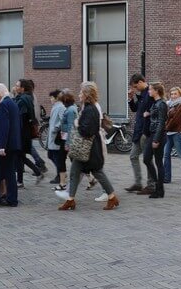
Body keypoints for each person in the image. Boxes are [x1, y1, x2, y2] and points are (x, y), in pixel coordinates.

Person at [55, 81, 118, 210]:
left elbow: (88, 131)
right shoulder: (89, 107)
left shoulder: (90, 109)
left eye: (81, 92)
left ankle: (112, 197)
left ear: (86, 94)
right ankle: (70, 199)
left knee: (97, 172)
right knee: (74, 171)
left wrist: (77, 124)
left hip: (89, 148)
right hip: (87, 148)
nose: (78, 95)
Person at [12, 78, 44, 186]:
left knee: (19, 156)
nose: (15, 87)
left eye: (17, 86)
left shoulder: (23, 99)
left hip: (22, 133)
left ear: (22, 88)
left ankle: (38, 172)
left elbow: (19, 114)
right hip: (24, 132)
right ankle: (20, 181)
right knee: (20, 156)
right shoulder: (25, 98)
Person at [126, 73, 154, 193]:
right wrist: (131, 99)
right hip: (138, 132)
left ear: (141, 82)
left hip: (145, 132)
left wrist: (146, 132)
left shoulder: (150, 93)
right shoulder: (142, 94)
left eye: (135, 86)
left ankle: (151, 185)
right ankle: (138, 183)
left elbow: (154, 111)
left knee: (147, 158)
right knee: (133, 156)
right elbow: (135, 109)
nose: (134, 89)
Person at [162, 87, 181, 185]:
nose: (173, 96)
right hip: (169, 133)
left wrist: (165, 127)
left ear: (180, 94)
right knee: (166, 155)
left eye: (175, 94)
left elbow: (176, 120)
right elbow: (167, 118)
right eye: (172, 94)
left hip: (178, 133)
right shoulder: (170, 105)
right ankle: (167, 178)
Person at [146, 83, 169, 197]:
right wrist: (148, 113)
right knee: (146, 159)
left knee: (159, 162)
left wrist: (156, 139)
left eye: (150, 89)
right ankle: (157, 185)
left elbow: (161, 122)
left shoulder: (162, 104)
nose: (149, 91)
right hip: (152, 134)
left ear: (156, 91)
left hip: (158, 136)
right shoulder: (156, 103)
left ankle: (160, 190)